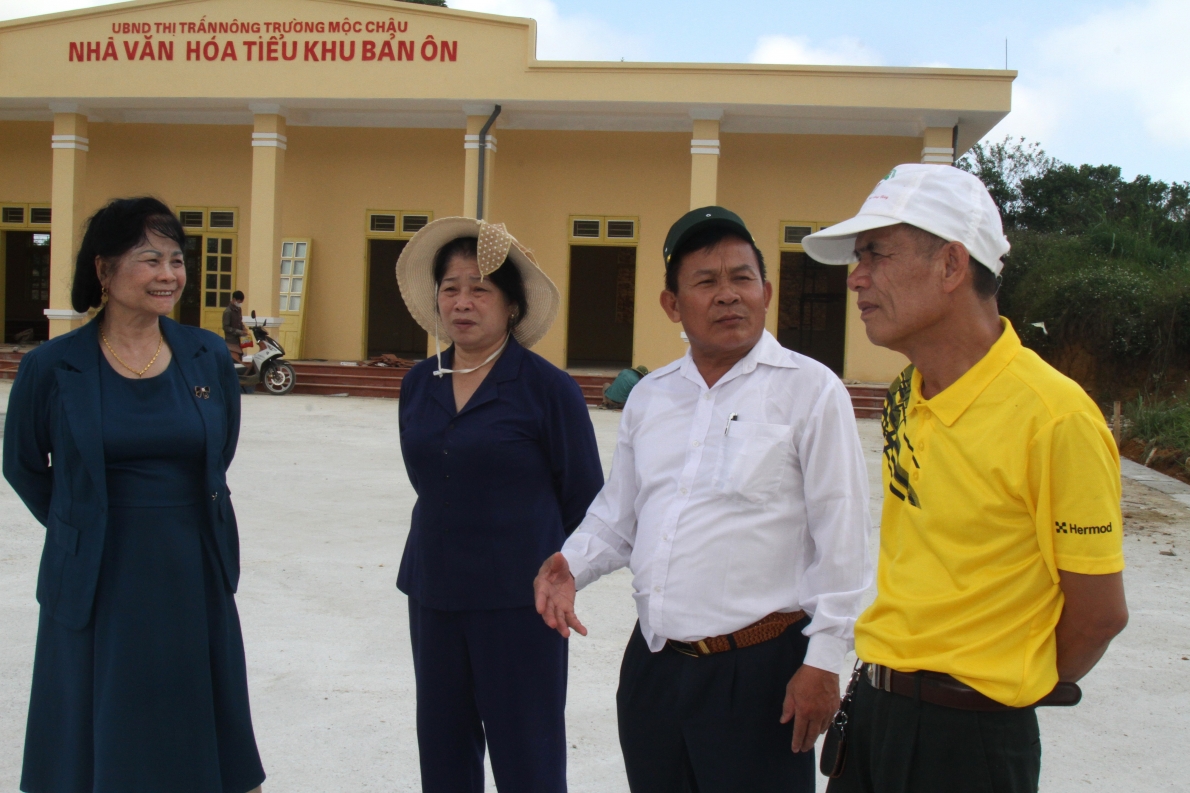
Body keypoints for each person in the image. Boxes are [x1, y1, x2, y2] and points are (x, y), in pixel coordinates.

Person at [799, 164, 1128, 792]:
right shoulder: (905, 394)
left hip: (971, 741)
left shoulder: (1055, 417)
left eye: (876, 254)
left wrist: (995, 682)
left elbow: (1098, 615)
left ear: (952, 266)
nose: (856, 278)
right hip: (873, 713)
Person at [534, 206, 873, 792]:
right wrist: (572, 564)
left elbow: (841, 536)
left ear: (767, 292)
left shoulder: (810, 391)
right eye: (706, 281)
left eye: (742, 278)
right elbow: (619, 517)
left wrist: (824, 659)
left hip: (761, 674)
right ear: (672, 305)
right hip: (654, 670)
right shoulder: (651, 397)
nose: (728, 296)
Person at [3, 197, 265, 793]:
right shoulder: (52, 366)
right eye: (150, 260)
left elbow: (217, 452)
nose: (168, 274)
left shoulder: (205, 356)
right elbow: (21, 464)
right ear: (103, 270)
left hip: (190, 561)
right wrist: (81, 519)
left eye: (176, 260)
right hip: (98, 570)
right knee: (101, 717)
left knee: (188, 708)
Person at [394, 217, 604, 792]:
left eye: (480, 288)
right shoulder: (419, 382)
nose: (463, 302)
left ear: (511, 305)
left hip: (521, 604)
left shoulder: (547, 389)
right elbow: (428, 480)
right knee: (443, 752)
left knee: (527, 757)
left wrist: (542, 561)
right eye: (451, 288)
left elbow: (585, 497)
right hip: (434, 593)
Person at [223, 289, 248, 362]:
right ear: (234, 299)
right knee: (234, 360)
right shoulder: (228, 311)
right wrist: (239, 331)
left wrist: (243, 328)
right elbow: (225, 327)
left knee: (240, 359)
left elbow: (240, 322)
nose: (240, 304)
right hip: (231, 341)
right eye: (239, 302)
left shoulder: (239, 309)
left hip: (239, 341)